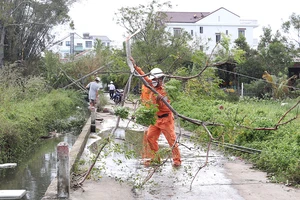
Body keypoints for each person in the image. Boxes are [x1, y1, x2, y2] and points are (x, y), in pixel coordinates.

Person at [130, 57, 181, 167]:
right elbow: (143, 77)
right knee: (150, 137)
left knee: (171, 140)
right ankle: (156, 159)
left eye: (161, 79)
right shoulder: (151, 84)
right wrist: (135, 66)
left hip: (166, 119)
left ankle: (177, 160)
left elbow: (166, 106)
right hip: (155, 119)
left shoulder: (165, 91)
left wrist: (159, 101)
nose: (160, 81)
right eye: (158, 79)